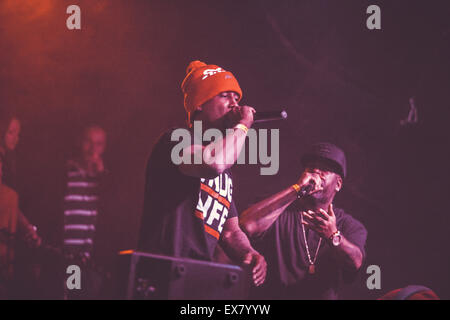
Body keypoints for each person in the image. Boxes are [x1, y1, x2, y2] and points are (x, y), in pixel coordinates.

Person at [138, 60, 267, 287]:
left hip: (196, 277)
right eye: (225, 96)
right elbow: (214, 163)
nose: (234, 104)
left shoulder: (224, 173)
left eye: (237, 98)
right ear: (199, 104)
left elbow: (230, 231)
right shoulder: (176, 140)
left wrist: (250, 252)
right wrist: (243, 125)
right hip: (161, 276)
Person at [239, 142, 367, 299]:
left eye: (324, 170)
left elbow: (355, 262)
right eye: (311, 168)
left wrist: (333, 236)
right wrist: (296, 189)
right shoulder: (279, 209)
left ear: (338, 184)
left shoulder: (349, 225)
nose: (315, 172)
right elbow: (246, 225)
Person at [61, 125, 112, 298]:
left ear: (103, 148)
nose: (92, 149)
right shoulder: (66, 173)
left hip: (92, 262)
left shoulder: (105, 181)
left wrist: (102, 176)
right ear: (80, 143)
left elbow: (112, 212)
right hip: (67, 258)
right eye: (88, 142)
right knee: (69, 295)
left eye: (98, 144)